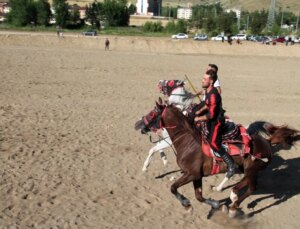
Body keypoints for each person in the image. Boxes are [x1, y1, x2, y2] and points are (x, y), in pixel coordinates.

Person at [194, 69, 236, 178]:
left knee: (213, 143)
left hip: (216, 122)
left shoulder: (213, 94)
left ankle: (231, 164)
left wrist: (199, 118)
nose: (202, 80)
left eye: (204, 79)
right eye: (203, 78)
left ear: (211, 81)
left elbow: (211, 115)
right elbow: (208, 104)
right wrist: (199, 110)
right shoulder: (208, 91)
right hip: (210, 120)